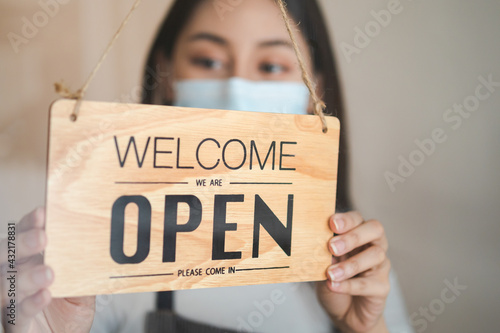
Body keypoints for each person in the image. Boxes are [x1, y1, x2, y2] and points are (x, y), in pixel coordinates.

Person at [1, 0, 414, 332]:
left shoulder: (352, 262)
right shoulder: (105, 243)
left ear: (315, 90)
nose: (236, 85)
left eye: (271, 66)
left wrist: (364, 328)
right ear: (166, 75)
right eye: (208, 60)